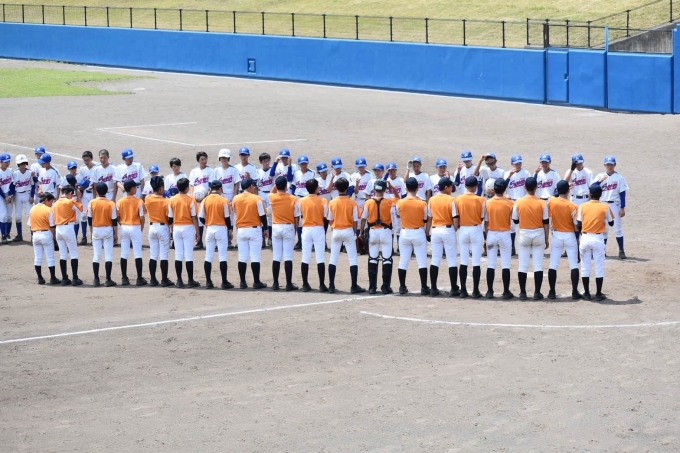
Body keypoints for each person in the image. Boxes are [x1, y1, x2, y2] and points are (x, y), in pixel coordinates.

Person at [512, 177, 549, 300]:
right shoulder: (542, 203)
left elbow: (515, 220)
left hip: (524, 233)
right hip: (538, 233)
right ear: (536, 188)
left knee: (523, 264)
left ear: (524, 187)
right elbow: (546, 222)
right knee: (538, 265)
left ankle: (523, 293)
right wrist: (546, 238)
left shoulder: (518, 202)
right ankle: (537, 292)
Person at [577, 184, 615, 301]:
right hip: (598, 238)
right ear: (601, 195)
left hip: (585, 237)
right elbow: (611, 223)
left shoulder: (582, 206)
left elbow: (578, 223)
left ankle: (587, 293)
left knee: (585, 267)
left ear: (590, 194)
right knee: (599, 267)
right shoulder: (605, 207)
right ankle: (598, 293)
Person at [326, 177, 364, 294]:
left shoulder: (332, 202)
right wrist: (354, 232)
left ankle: (331, 286)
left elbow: (330, 219)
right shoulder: (352, 202)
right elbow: (355, 220)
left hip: (336, 230)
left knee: (333, 259)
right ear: (347, 188)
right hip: (348, 230)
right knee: (353, 259)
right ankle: (354, 286)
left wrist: (334, 227)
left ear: (336, 188)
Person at [395, 177, 431, 295]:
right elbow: (425, 219)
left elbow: (398, 215)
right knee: (422, 261)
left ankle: (402, 286)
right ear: (417, 188)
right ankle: (424, 287)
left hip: (405, 232)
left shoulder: (400, 202)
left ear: (406, 188)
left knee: (403, 261)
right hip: (418, 232)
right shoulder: (422, 203)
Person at [360, 179, 395, 294]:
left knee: (372, 258)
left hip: (373, 231)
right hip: (386, 232)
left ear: (374, 189)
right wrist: (393, 189)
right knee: (387, 259)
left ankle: (372, 287)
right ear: (384, 190)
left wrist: (361, 232)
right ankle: (385, 287)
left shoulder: (368, 202)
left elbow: (363, 219)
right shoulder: (389, 202)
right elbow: (398, 203)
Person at [233, 178, 269, 289]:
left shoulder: (236, 198)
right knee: (255, 257)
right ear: (250, 187)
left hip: (241, 230)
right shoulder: (257, 198)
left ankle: (242, 282)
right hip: (254, 229)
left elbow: (235, 212)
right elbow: (262, 215)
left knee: (242, 257)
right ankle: (256, 282)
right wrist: (266, 229)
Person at [547, 180, 581, 300]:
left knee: (553, 264)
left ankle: (552, 291)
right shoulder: (573, 206)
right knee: (574, 265)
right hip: (570, 235)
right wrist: (577, 238)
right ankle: (575, 291)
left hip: (557, 235)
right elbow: (576, 225)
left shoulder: (551, 201)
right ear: (568, 191)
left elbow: (554, 196)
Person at [199, 180, 234, 290]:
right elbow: (227, 218)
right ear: (220, 189)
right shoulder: (224, 200)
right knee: (222, 256)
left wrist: (208, 223)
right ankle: (224, 282)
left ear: (210, 189)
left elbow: (201, 217)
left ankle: (208, 281)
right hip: (221, 229)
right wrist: (230, 230)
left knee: (208, 256)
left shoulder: (205, 200)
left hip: (210, 229)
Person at [427, 177, 459, 297]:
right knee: (452, 260)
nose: (452, 188)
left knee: (435, 259)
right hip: (447, 229)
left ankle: (433, 288)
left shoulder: (432, 199)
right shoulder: (451, 199)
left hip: (435, 230)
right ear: (446, 188)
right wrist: (455, 228)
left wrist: (427, 232)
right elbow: (455, 217)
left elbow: (429, 217)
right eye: (450, 186)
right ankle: (454, 288)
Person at [455, 176, 486, 298]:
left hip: (463, 229)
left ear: (465, 186)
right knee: (476, 262)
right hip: (475, 228)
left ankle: (463, 290)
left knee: (463, 261)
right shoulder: (481, 200)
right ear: (475, 187)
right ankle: (475, 291)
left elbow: (456, 216)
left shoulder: (458, 199)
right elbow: (482, 217)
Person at [269, 176, 301, 291]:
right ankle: (288, 283)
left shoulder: (272, 197)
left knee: (276, 256)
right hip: (288, 226)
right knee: (288, 257)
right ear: (286, 186)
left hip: (276, 227)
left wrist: (276, 185)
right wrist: (295, 229)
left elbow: (271, 191)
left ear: (276, 186)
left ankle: (275, 283)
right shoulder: (293, 198)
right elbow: (296, 216)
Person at [594, 155, 629, 259]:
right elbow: (592, 187)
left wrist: (622, 207)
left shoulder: (619, 177)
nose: (610, 166)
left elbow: (622, 193)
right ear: (605, 165)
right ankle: (603, 251)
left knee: (617, 228)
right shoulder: (600, 176)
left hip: (615, 204)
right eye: (608, 164)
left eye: (611, 164)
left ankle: (621, 251)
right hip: (602, 204)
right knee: (604, 229)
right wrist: (600, 181)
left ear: (615, 165)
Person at [484, 179, 514, 299]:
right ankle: (506, 291)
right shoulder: (510, 203)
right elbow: (514, 219)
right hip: (505, 234)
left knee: (491, 264)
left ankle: (489, 291)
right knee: (505, 264)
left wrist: (487, 236)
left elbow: (486, 222)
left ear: (493, 189)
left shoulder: (487, 203)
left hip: (491, 232)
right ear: (504, 189)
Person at [298, 178, 329, 292]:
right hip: (318, 228)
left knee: (305, 257)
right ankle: (321, 284)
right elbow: (326, 217)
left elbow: (300, 215)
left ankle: (305, 284)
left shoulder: (301, 201)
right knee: (320, 257)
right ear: (316, 188)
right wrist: (323, 229)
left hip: (306, 228)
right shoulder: (323, 201)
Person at [168, 177, 200, 288]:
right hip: (188, 228)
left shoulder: (172, 200)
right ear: (187, 188)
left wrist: (171, 230)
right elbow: (194, 217)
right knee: (188, 255)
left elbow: (170, 218)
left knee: (178, 255)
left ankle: (179, 280)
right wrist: (198, 232)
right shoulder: (191, 200)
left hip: (176, 227)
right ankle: (190, 280)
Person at [144, 175, 174, 287]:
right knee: (164, 255)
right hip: (163, 227)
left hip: (152, 228)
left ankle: (153, 279)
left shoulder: (148, 198)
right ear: (161, 188)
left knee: (153, 255)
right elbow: (170, 218)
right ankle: (164, 280)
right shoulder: (167, 201)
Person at [117, 179, 147, 286]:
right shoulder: (139, 201)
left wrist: (122, 224)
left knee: (124, 253)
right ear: (132, 188)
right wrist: (141, 228)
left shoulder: (120, 201)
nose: (136, 189)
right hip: (135, 227)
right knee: (137, 253)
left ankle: (124, 278)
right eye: (135, 187)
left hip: (124, 227)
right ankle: (139, 278)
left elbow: (117, 217)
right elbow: (142, 217)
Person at [52, 183, 83, 286]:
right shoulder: (70, 202)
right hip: (68, 228)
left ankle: (64, 278)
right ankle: (75, 278)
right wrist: (78, 197)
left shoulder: (55, 203)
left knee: (63, 254)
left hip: (58, 229)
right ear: (70, 193)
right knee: (73, 254)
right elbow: (80, 209)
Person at [87, 182, 118, 287]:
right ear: (107, 191)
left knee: (96, 255)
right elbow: (114, 220)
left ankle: (96, 279)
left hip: (96, 229)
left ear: (96, 191)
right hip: (107, 229)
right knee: (108, 255)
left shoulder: (92, 202)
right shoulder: (111, 203)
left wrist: (91, 231)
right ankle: (108, 279)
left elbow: (89, 219)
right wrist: (115, 234)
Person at [210, 149, 240, 248]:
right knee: (220, 217)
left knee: (230, 218)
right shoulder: (216, 170)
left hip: (230, 195)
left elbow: (236, 184)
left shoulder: (233, 170)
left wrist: (234, 197)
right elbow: (213, 184)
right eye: (222, 158)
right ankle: (220, 239)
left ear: (228, 158)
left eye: (225, 158)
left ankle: (229, 240)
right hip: (220, 195)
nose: (224, 159)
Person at [504, 154, 531, 255]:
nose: (518, 165)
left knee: (525, 225)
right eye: (516, 164)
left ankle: (526, 247)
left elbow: (530, 187)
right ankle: (512, 247)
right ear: (512, 163)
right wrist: (509, 177)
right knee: (511, 226)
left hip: (523, 202)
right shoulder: (507, 173)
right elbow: (503, 186)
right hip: (511, 202)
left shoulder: (526, 173)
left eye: (519, 163)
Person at [29, 193, 59, 284]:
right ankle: (53, 278)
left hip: (35, 234)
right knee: (50, 257)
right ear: (46, 200)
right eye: (51, 201)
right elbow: (52, 227)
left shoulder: (33, 208)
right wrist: (54, 239)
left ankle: (40, 278)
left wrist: (32, 236)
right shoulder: (49, 210)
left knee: (37, 257)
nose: (52, 204)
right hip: (46, 234)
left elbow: (30, 225)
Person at [292, 155, 316, 250]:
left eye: (305, 163)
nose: (304, 165)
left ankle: (311, 241)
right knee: (299, 221)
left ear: (307, 163)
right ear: (299, 164)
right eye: (302, 164)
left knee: (309, 219)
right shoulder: (296, 173)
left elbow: (314, 186)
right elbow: (293, 186)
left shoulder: (312, 173)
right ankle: (300, 241)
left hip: (308, 198)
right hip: (298, 197)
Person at [11, 154, 35, 243]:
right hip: (18, 195)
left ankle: (33, 235)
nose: (23, 165)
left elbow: (33, 185)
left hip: (27, 194)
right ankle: (19, 235)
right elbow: (12, 186)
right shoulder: (14, 173)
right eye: (21, 164)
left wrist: (32, 196)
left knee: (30, 215)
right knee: (18, 216)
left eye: (24, 163)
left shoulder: (30, 172)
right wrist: (11, 195)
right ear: (18, 164)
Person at [76, 150, 98, 244]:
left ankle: (94, 237)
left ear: (92, 158)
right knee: (83, 215)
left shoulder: (97, 168)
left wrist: (95, 197)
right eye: (84, 160)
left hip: (94, 194)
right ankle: (84, 237)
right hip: (85, 194)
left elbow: (98, 183)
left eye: (88, 160)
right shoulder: (82, 169)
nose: (86, 162)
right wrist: (81, 189)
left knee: (94, 216)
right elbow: (79, 183)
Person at [384, 162, 404, 254]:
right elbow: (380, 185)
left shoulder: (401, 180)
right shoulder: (385, 181)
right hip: (388, 207)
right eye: (390, 171)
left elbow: (403, 195)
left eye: (393, 170)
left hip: (398, 206)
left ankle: (400, 247)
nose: (392, 172)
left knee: (399, 228)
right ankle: (390, 248)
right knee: (389, 229)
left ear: (396, 170)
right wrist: (386, 176)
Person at [257, 152, 275, 248]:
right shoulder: (258, 172)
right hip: (261, 193)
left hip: (270, 194)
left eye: (268, 160)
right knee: (261, 216)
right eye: (264, 161)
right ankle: (263, 239)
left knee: (270, 217)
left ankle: (270, 238)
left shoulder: (273, 171)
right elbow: (256, 186)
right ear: (261, 162)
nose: (267, 163)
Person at [0, 153, 14, 243]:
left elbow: (12, 184)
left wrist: (11, 195)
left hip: (8, 195)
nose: (7, 163)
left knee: (9, 216)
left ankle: (7, 234)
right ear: (0, 162)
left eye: (8, 162)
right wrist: (5, 197)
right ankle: (3, 236)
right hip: (1, 196)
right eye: (6, 162)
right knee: (3, 215)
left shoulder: (10, 171)